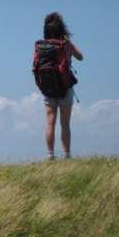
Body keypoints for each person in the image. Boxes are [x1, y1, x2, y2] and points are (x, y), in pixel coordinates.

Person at [42, 12, 83, 160]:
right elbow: (81, 57)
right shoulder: (65, 44)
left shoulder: (42, 46)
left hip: (47, 87)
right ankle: (66, 155)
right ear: (61, 29)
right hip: (65, 87)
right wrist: (68, 43)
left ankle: (50, 155)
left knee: (50, 122)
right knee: (65, 123)